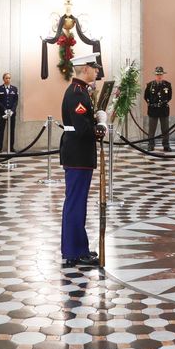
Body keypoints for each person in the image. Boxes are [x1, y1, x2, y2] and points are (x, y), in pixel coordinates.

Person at [60, 53, 107, 268]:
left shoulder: (81, 91)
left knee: (77, 204)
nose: (97, 71)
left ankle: (77, 248)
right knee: (75, 204)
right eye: (94, 68)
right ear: (85, 69)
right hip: (78, 153)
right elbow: (82, 129)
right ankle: (74, 251)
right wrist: (100, 127)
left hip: (78, 154)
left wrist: (96, 118)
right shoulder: (77, 94)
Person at [144, 66, 173, 151]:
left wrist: (162, 103)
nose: (159, 76)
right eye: (157, 74)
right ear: (155, 75)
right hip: (153, 110)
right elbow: (146, 97)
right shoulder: (150, 85)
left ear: (163, 75)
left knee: (165, 129)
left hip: (163, 109)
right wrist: (152, 103)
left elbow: (170, 96)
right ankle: (150, 144)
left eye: (160, 74)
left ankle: (166, 145)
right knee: (152, 129)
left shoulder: (167, 84)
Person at [0, 72, 19, 152]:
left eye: (9, 78)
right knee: (1, 130)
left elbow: (16, 101)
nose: (8, 79)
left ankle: (11, 147)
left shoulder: (14, 89)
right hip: (2, 112)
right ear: (3, 79)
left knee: (12, 130)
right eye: (6, 78)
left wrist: (12, 110)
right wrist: (5, 109)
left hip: (12, 113)